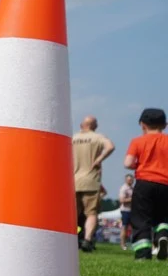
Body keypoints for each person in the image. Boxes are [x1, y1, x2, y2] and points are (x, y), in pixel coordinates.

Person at [123, 108, 168, 261]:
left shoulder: (137, 141)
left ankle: (143, 254)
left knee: (141, 218)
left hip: (144, 183)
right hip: (165, 184)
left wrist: (141, 165)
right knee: (162, 216)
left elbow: (128, 163)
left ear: (142, 125)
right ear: (165, 125)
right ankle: (163, 235)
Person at [72, 115, 115, 252]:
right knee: (91, 213)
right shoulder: (98, 137)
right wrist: (99, 159)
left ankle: (71, 238)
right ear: (95, 126)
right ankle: (88, 240)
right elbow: (110, 146)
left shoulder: (73, 138)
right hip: (90, 180)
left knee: (73, 214)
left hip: (73, 180)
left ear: (81, 125)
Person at [118, 174, 135, 251]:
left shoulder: (133, 188)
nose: (131, 181)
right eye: (129, 180)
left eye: (131, 180)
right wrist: (133, 199)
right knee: (124, 227)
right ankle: (123, 244)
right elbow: (121, 200)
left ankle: (133, 243)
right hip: (125, 210)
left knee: (134, 228)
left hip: (132, 210)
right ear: (126, 180)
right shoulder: (124, 188)